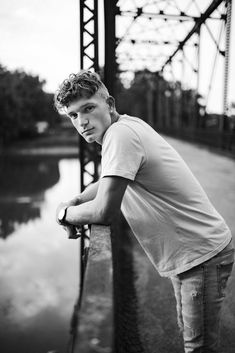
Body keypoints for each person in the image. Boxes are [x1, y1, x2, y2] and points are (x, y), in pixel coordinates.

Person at [54, 70, 234, 353]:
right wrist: (75, 200)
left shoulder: (120, 135)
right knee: (193, 339)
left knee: (199, 348)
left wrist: (63, 215)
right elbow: (107, 181)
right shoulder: (125, 126)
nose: (82, 121)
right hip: (193, 252)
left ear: (110, 104)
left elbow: (103, 210)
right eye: (73, 115)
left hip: (201, 252)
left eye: (88, 108)